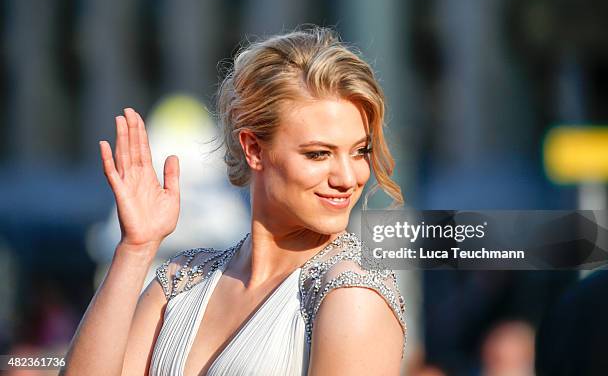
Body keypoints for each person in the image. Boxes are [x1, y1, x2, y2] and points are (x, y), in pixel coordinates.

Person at [61, 26, 407, 375]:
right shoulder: (182, 282)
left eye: (360, 151)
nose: (347, 178)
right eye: (319, 154)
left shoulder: (351, 296)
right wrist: (136, 248)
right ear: (254, 148)